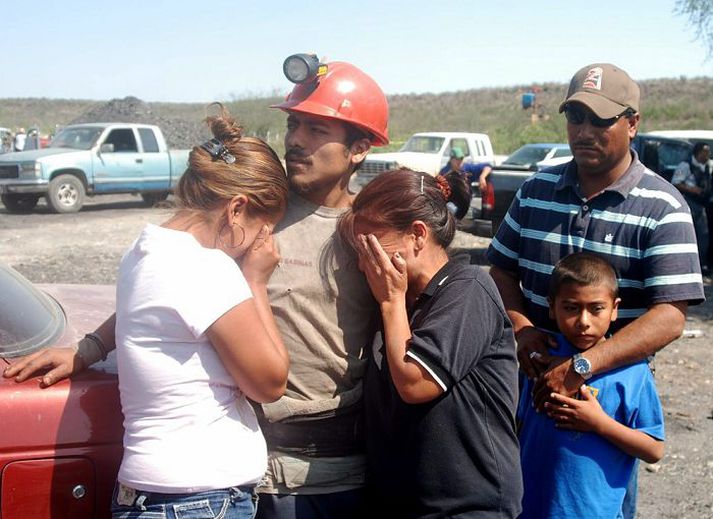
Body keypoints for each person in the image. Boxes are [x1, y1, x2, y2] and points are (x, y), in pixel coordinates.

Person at [5, 56, 390, 519]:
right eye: (294, 124)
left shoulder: (370, 227)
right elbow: (174, 289)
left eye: (316, 129)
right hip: (242, 471)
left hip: (330, 471)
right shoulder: (254, 208)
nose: (295, 140)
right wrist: (90, 347)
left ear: (360, 148)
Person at [486, 63, 705, 518]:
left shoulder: (663, 206)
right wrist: (523, 330)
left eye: (600, 120)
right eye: (575, 117)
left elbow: (670, 315)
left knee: (590, 502)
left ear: (633, 123)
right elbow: (500, 270)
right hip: (530, 385)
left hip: (608, 398)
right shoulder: (535, 191)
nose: (584, 131)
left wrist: (582, 365)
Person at [107, 106, 290, 517]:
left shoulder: (143, 251)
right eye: (262, 228)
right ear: (236, 208)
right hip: (198, 499)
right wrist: (256, 281)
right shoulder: (205, 267)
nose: (260, 243)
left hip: (152, 493)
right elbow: (270, 382)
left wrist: (87, 348)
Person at [338, 168, 523, 518]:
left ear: (418, 235)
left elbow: (415, 382)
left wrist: (391, 302)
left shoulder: (468, 289)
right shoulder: (404, 299)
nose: (364, 264)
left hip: (466, 508)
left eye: (371, 246)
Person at [518, 252, 665, 518]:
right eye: (571, 307)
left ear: (615, 308)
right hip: (529, 506)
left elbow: (654, 449)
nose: (584, 321)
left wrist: (598, 423)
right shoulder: (539, 358)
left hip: (594, 511)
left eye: (596, 308)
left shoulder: (632, 370)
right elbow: (516, 426)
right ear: (552, 307)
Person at [672, 142, 711, 275]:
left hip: (703, 204)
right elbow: (676, 182)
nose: (707, 155)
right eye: (705, 151)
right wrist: (693, 190)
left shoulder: (708, 166)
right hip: (689, 201)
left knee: (703, 235)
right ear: (697, 152)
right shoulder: (685, 165)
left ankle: (702, 264)